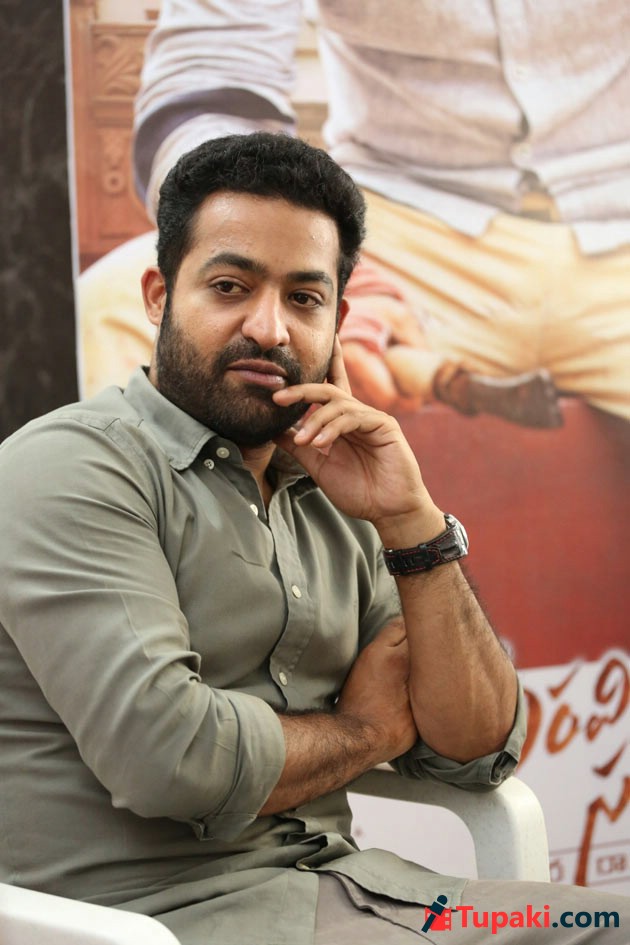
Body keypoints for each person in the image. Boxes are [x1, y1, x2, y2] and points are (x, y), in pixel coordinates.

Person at [1, 133, 626, 945]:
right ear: (157, 296)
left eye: (304, 298)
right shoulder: (74, 469)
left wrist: (412, 522)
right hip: (160, 920)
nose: (270, 328)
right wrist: (369, 733)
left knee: (604, 922)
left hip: (357, 895)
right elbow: (171, 760)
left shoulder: (339, 487)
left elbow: (477, 749)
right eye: (230, 286)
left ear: (338, 322)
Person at [79, 0, 630, 425]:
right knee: (114, 311)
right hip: (396, 226)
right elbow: (208, 81)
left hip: (620, 228)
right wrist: (338, 271)